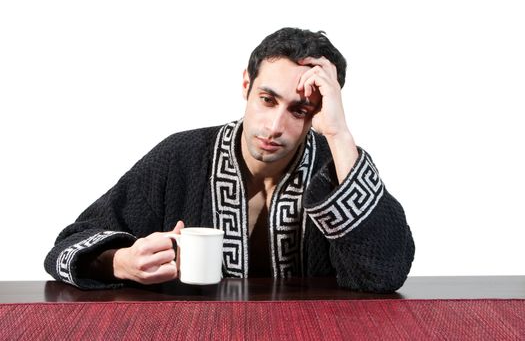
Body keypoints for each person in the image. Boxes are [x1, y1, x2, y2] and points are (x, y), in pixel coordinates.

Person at [44, 27, 415, 292]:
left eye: (299, 110)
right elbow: (65, 249)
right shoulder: (181, 157)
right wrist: (119, 262)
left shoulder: (337, 165)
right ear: (246, 86)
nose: (274, 126)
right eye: (267, 100)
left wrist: (339, 134)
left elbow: (383, 275)